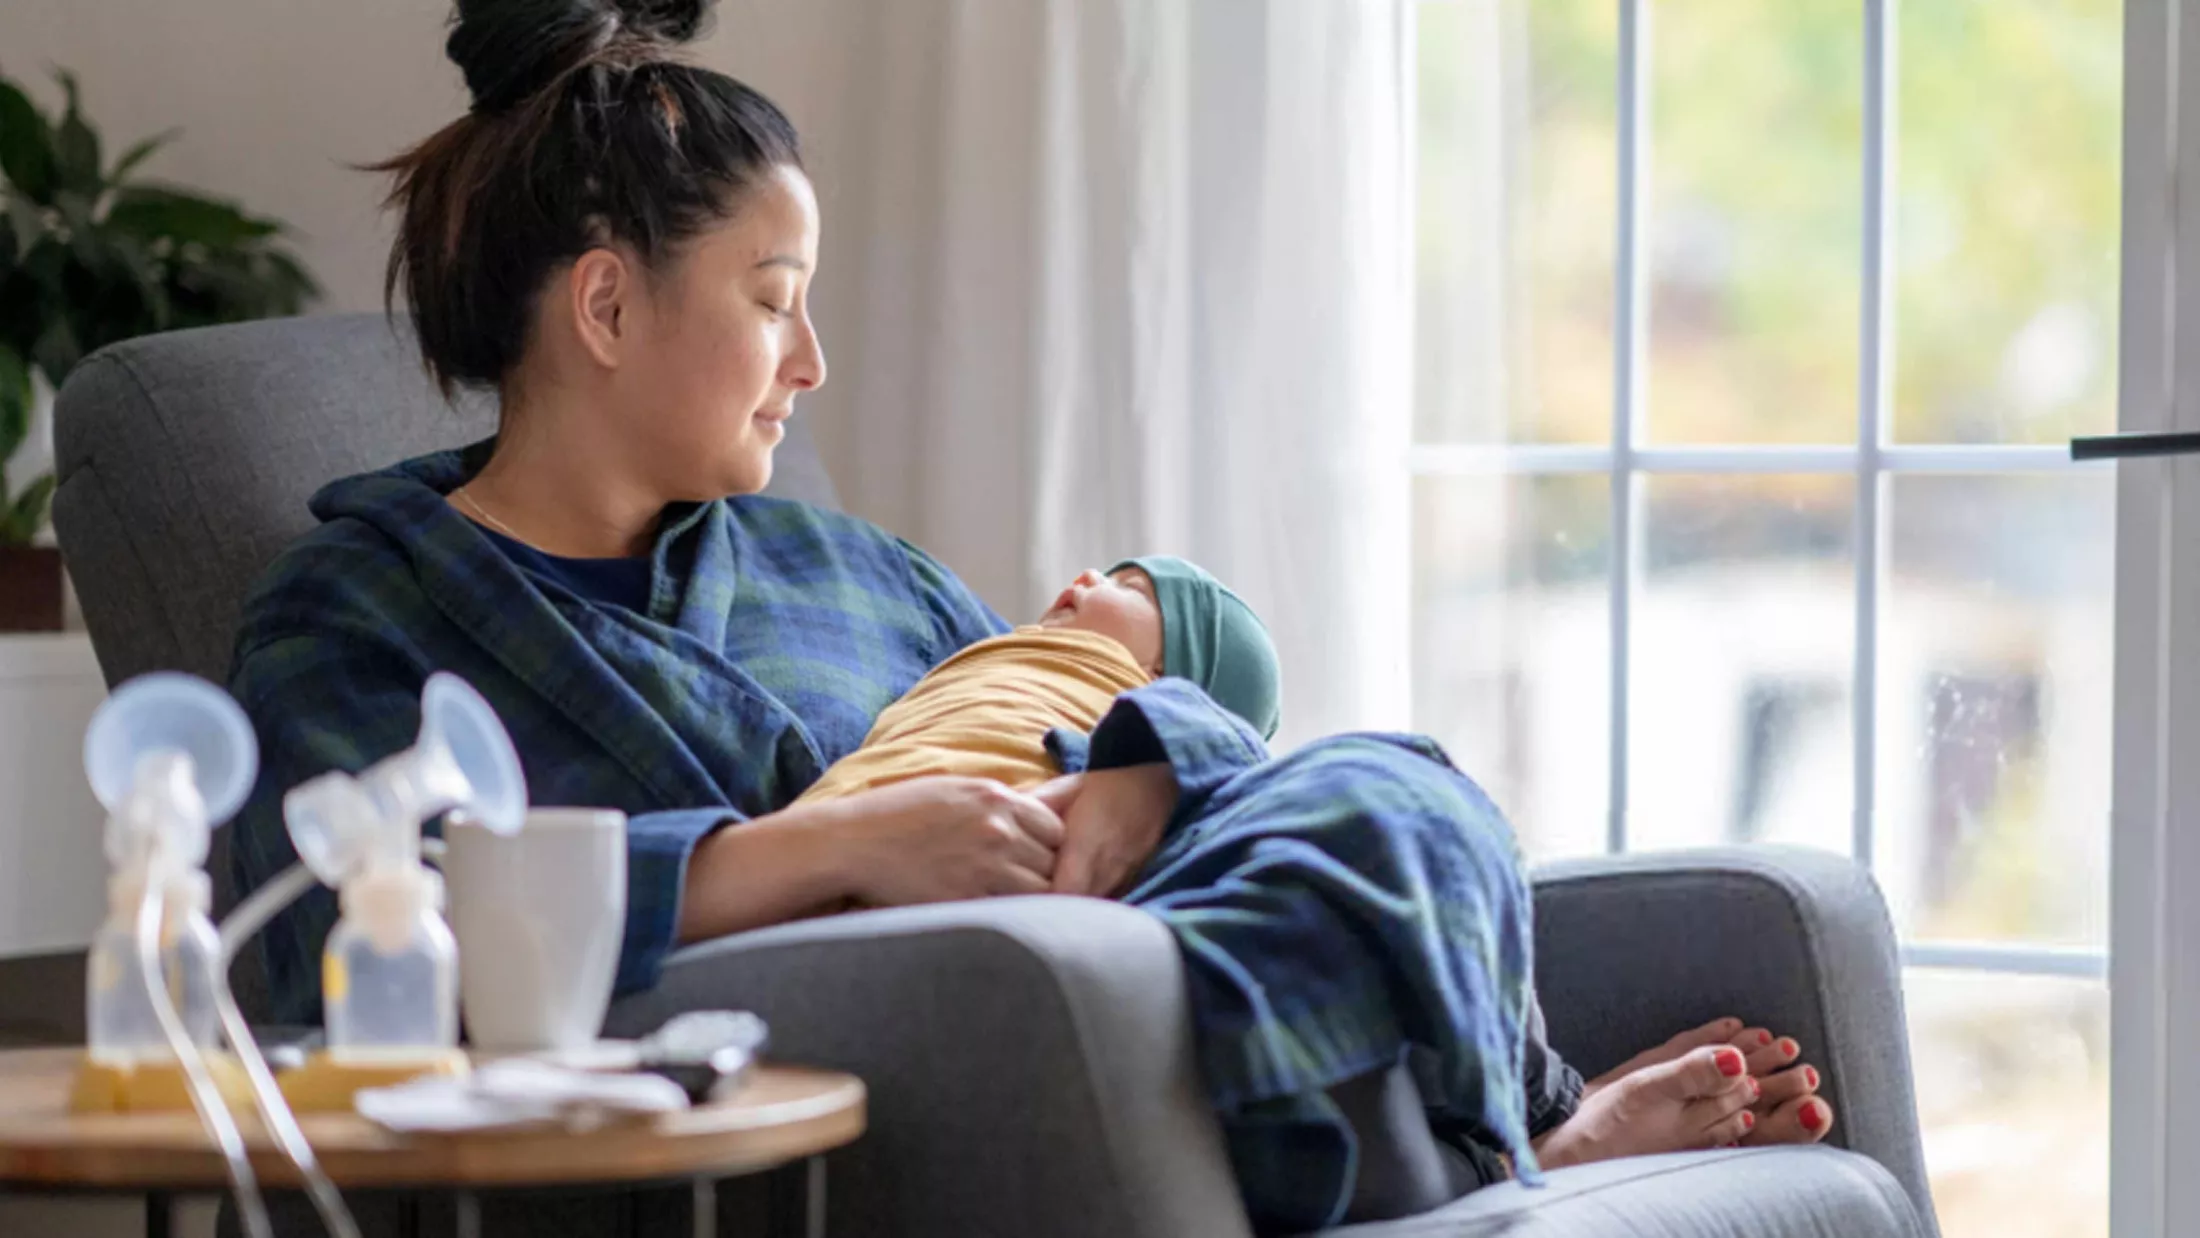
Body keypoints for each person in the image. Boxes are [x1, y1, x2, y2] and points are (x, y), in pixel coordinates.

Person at [224, 1, 1832, 1230]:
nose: (811, 363)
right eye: (774, 302)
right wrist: (838, 846)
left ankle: (1512, 1139)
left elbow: (1026, 698)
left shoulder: (852, 570)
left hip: (1102, 944)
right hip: (869, 1045)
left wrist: (1144, 755)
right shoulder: (359, 611)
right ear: (604, 302)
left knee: (1384, 779)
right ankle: (1503, 1164)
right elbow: (329, 938)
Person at [794, 556, 1280, 809]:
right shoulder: (1009, 654)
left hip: (995, 801)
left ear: (1162, 675)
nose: (1089, 575)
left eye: (1129, 588)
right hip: (857, 803)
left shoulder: (1126, 700)